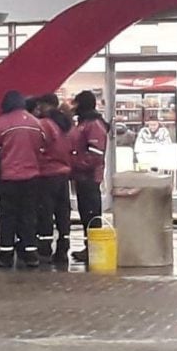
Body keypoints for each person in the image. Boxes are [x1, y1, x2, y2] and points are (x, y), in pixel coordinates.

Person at [0, 90, 45, 269]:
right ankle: (31, 255)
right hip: (32, 177)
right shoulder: (37, 124)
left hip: (9, 177)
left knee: (8, 216)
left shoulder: (0, 123)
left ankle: (6, 256)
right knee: (28, 215)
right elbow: (43, 146)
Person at [69, 90, 110, 263]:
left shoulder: (93, 124)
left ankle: (94, 250)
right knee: (86, 213)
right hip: (83, 176)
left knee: (91, 213)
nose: (74, 107)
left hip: (89, 177)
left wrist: (76, 165)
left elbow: (95, 154)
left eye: (76, 103)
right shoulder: (86, 122)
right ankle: (90, 248)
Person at [34, 93, 73, 267]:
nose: (38, 109)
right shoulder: (66, 124)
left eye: (40, 105)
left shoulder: (45, 125)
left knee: (46, 214)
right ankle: (63, 249)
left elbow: (38, 147)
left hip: (47, 174)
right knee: (63, 214)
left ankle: (44, 250)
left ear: (46, 105)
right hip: (64, 174)